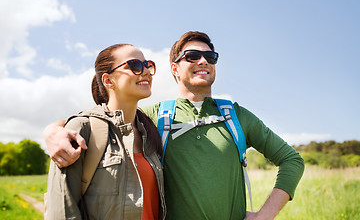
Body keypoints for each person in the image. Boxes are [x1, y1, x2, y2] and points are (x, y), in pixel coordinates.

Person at [44, 32, 305, 220]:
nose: (203, 61)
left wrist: (264, 216)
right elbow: (103, 119)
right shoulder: (153, 117)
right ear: (175, 69)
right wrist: (53, 130)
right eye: (192, 56)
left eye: (210, 56)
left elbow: (292, 160)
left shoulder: (237, 117)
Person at [44, 44, 166, 220]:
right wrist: (52, 129)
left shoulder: (151, 132)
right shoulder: (81, 130)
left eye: (147, 65)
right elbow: (62, 212)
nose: (146, 71)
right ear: (108, 81)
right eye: (135, 65)